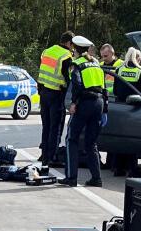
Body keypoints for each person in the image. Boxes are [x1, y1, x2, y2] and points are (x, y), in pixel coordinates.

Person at [63, 37, 107, 188]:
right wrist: (105, 110)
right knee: (91, 143)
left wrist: (73, 102)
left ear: (75, 49)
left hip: (85, 103)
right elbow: (104, 87)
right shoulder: (96, 63)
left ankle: (71, 178)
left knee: (71, 139)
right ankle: (96, 178)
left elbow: (77, 84)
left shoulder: (77, 64)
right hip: (99, 104)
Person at [37, 31, 78, 165]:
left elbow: (42, 71)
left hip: (43, 93)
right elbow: (69, 79)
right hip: (56, 94)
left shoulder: (47, 51)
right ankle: (52, 157)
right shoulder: (66, 56)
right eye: (73, 45)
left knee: (46, 125)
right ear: (68, 43)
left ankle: (44, 155)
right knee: (56, 127)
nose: (73, 48)